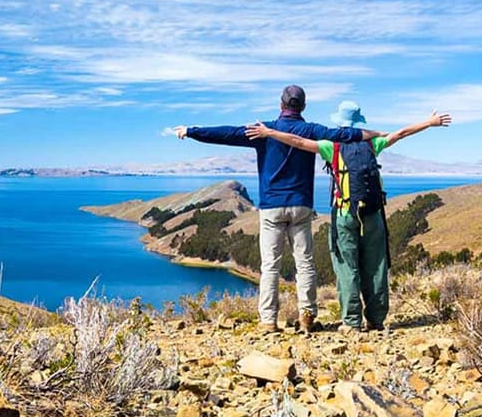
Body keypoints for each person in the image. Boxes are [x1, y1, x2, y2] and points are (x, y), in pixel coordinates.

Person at [173, 85, 381, 333]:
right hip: (301, 205)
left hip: (271, 206)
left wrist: (191, 131)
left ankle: (268, 321)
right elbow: (346, 135)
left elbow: (226, 134)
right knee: (305, 264)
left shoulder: (264, 131)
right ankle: (307, 317)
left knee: (270, 265)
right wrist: (376, 134)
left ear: (281, 104)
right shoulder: (312, 130)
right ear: (302, 106)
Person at [246, 101, 450, 333]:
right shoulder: (373, 144)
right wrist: (430, 122)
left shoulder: (331, 147)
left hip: (344, 213)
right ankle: (376, 319)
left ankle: (351, 322)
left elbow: (299, 142)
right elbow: (402, 133)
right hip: (372, 213)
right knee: (376, 266)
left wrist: (269, 132)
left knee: (347, 267)